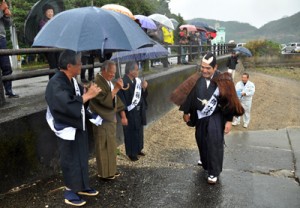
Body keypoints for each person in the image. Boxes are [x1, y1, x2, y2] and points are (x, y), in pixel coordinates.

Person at [178, 52, 244, 184]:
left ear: (215, 67)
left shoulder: (224, 80)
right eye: (202, 67)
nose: (204, 70)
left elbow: (230, 101)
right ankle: (205, 161)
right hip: (200, 116)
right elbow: (190, 96)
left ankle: (214, 172)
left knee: (214, 142)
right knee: (201, 140)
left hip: (216, 116)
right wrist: (186, 112)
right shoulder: (198, 79)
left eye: (208, 68)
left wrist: (229, 120)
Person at [45, 50, 101, 206]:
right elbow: (65, 104)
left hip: (78, 124)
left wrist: (85, 93)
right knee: (70, 159)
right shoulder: (55, 83)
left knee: (81, 156)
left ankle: (82, 186)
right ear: (69, 66)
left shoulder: (72, 80)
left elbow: (77, 101)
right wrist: (87, 96)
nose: (81, 65)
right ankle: (70, 192)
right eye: (79, 63)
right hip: (66, 128)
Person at [89, 60, 128, 180]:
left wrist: (123, 115)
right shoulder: (97, 83)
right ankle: (104, 173)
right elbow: (103, 101)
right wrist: (116, 89)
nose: (113, 75)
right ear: (104, 70)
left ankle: (111, 170)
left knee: (111, 145)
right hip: (101, 119)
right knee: (103, 146)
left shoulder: (108, 82)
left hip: (110, 119)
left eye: (114, 73)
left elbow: (115, 100)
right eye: (111, 72)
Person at [118, 62, 148, 161]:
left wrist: (144, 88)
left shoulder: (137, 81)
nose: (137, 71)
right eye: (136, 69)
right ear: (130, 71)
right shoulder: (123, 82)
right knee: (130, 131)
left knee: (139, 130)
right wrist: (123, 116)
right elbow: (120, 101)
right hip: (130, 111)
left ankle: (138, 148)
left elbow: (143, 96)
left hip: (139, 110)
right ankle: (131, 152)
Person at [0, 0, 18, 98]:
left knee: (6, 66)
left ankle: (8, 90)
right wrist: (1, 10)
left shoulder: (2, 6)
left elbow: (8, 24)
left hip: (1, 38)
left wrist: (7, 15)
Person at [39, 4, 59, 79]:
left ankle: (57, 82)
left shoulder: (56, 21)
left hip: (57, 46)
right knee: (53, 66)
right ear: (45, 13)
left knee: (58, 66)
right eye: (49, 12)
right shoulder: (42, 22)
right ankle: (52, 82)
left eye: (52, 11)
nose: (50, 13)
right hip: (49, 47)